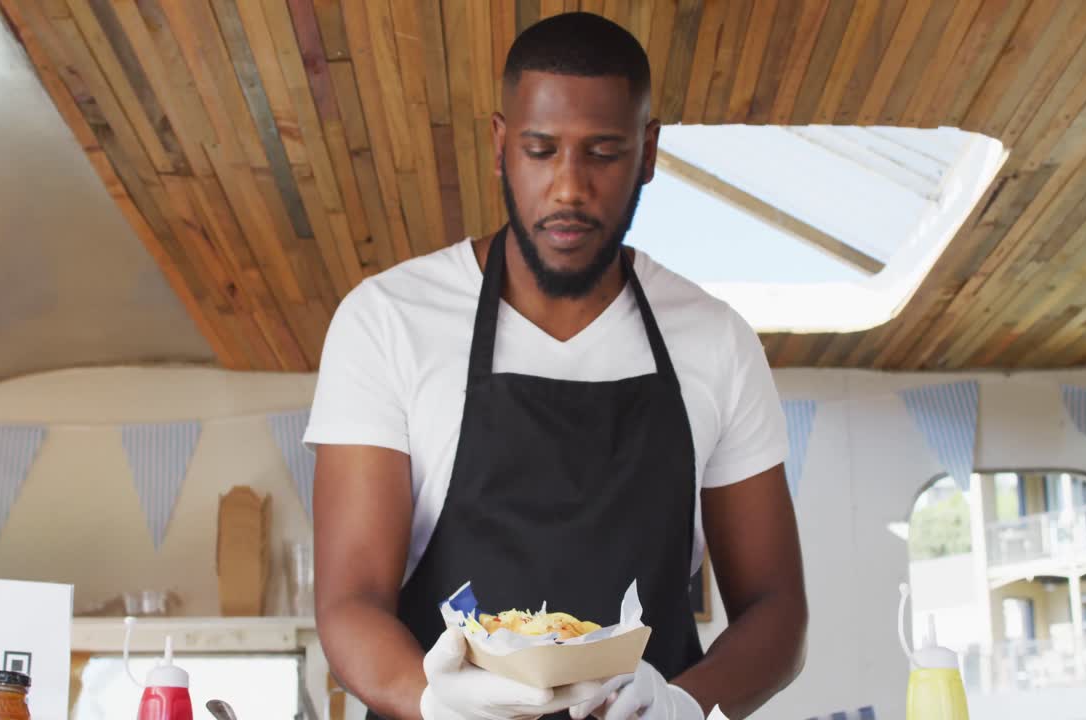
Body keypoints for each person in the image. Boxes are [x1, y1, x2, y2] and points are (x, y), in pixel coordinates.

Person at [306, 12, 807, 720]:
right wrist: (434, 702)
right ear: (501, 145)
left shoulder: (716, 341)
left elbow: (777, 609)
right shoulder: (388, 320)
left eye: (603, 152)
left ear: (649, 151)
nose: (569, 188)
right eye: (541, 150)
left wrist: (684, 707)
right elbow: (350, 600)